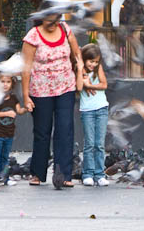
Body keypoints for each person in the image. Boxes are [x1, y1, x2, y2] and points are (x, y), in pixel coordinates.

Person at [21, 13, 83, 187]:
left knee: (65, 130)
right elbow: (25, 67)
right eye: (49, 20)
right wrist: (25, 96)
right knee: (42, 132)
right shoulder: (33, 35)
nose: (53, 23)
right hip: (40, 90)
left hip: (65, 87)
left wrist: (80, 72)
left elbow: (77, 54)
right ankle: (37, 173)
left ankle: (63, 175)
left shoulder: (65, 29)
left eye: (55, 19)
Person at [78, 43, 110, 187]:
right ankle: (87, 173)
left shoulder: (98, 70)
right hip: (87, 111)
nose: (94, 64)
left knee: (99, 144)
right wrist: (81, 72)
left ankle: (100, 174)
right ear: (85, 59)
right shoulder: (80, 71)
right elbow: (78, 87)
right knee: (89, 143)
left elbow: (104, 85)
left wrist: (89, 85)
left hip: (102, 108)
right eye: (91, 61)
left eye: (96, 62)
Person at [0, 74, 27, 184]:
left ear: (12, 84)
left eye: (8, 82)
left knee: (5, 158)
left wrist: (26, 109)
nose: (5, 84)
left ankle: (4, 178)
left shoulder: (14, 98)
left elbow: (19, 111)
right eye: (2, 81)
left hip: (9, 133)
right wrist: (7, 113)